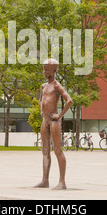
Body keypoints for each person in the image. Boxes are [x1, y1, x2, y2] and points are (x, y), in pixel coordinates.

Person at [35, 59, 73, 190]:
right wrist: (41, 110)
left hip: (54, 121)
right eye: (43, 69)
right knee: (45, 151)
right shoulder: (43, 86)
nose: (44, 72)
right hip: (45, 121)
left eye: (46, 69)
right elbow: (41, 100)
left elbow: (69, 101)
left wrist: (59, 115)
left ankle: (62, 182)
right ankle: (45, 180)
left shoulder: (57, 86)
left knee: (57, 150)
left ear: (54, 70)